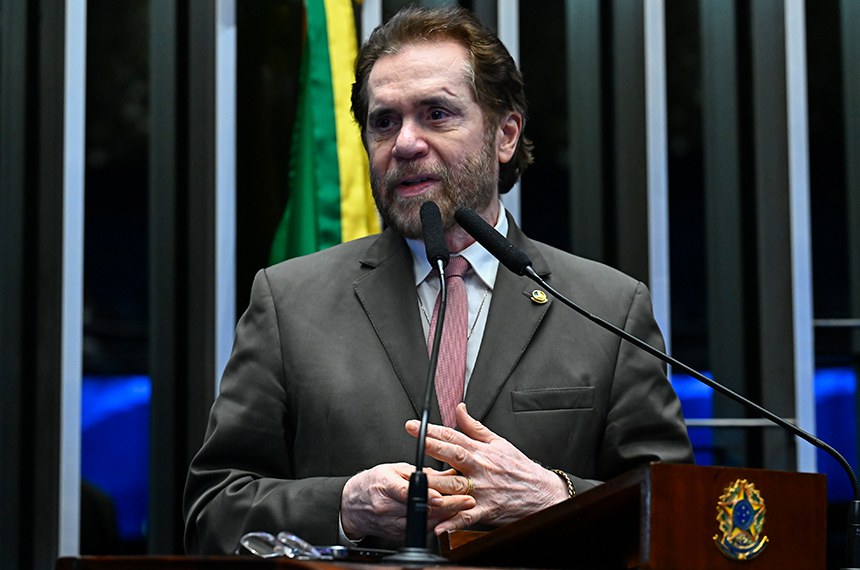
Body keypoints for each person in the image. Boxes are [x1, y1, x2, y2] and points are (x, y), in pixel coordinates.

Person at [183, 5, 693, 555]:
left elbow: (677, 520)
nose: (404, 143)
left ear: (505, 134)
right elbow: (212, 514)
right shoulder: (289, 302)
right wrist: (343, 506)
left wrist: (554, 495)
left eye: (436, 114)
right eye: (384, 121)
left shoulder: (607, 307)